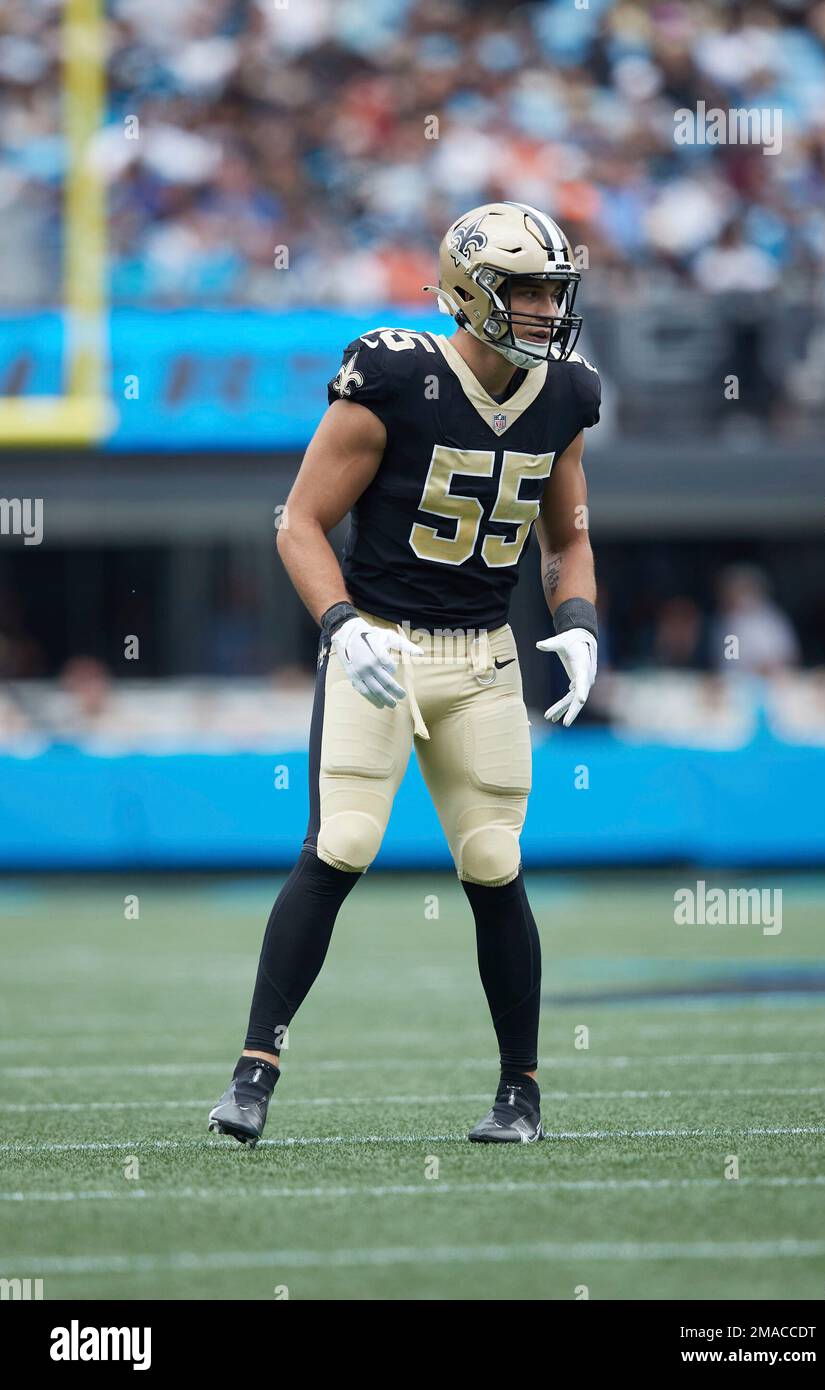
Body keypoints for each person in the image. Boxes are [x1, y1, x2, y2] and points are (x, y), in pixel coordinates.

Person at [208, 201, 602, 1146]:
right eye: (529, 290)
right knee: (341, 841)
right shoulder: (391, 375)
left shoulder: (564, 395)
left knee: (494, 861)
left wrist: (580, 622)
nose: (548, 308)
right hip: (380, 646)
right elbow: (297, 521)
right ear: (471, 293)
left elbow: (570, 538)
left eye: (556, 289)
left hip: (483, 660)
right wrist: (342, 626)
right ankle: (253, 1072)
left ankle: (521, 1094)